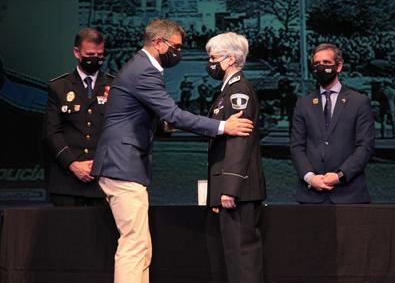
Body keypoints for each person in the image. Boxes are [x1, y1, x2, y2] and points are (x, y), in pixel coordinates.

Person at [90, 19, 254, 283]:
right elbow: (174, 114)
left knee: (140, 245)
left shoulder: (143, 67)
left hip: (124, 164)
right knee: (134, 246)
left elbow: (148, 116)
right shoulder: (144, 70)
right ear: (158, 42)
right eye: (175, 47)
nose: (179, 52)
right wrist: (224, 126)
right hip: (122, 164)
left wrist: (163, 126)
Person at [205, 32, 266, 283]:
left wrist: (230, 187)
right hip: (236, 188)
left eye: (213, 57)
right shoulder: (228, 90)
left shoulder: (237, 91)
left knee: (242, 254)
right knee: (235, 254)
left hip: (239, 189)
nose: (209, 63)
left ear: (230, 59)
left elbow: (239, 139)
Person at [290, 43, 375, 204]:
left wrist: (339, 176)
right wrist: (310, 177)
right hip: (311, 196)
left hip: (350, 195)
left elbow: (365, 146)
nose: (321, 67)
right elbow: (297, 146)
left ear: (339, 66)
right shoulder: (303, 104)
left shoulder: (359, 101)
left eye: (327, 63)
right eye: (317, 64)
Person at [45, 28, 113, 206]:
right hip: (66, 181)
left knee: (100, 234)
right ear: (77, 52)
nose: (95, 59)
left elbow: (118, 132)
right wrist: (73, 164)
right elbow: (52, 132)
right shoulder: (59, 87)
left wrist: (98, 164)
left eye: (100, 55)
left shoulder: (115, 86)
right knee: (66, 233)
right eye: (90, 54)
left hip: (103, 179)